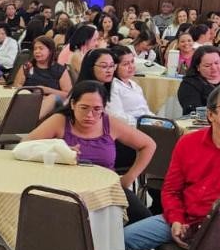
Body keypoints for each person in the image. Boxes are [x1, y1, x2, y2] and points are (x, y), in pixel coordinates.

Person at [122, 85, 220, 250]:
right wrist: (176, 220)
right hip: (184, 216)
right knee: (124, 240)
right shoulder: (189, 142)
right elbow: (171, 190)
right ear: (211, 114)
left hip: (216, 228)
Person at [26, 80, 155, 223]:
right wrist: (57, 148)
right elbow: (25, 145)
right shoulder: (60, 121)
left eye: (97, 109)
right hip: (66, 190)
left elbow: (148, 145)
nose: (90, 115)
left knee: (145, 221)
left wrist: (129, 178)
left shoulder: (110, 124)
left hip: (105, 190)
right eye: (84, 108)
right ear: (73, 104)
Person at [107, 46, 151, 124]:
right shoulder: (113, 86)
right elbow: (116, 115)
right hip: (129, 126)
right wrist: (141, 123)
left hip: (144, 123)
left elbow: (145, 110)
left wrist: (155, 121)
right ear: (115, 67)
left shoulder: (134, 85)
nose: (131, 66)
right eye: (125, 64)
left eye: (132, 61)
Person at [178, 46, 220, 115]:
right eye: (207, 66)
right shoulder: (189, 84)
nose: (214, 68)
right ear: (198, 67)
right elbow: (193, 111)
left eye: (217, 63)